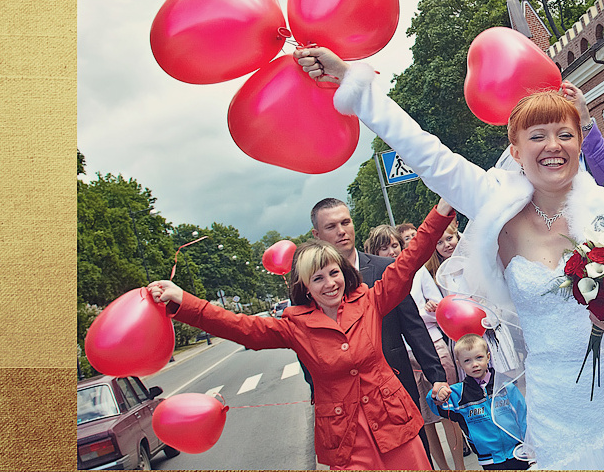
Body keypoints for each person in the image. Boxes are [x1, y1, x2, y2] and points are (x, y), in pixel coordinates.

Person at [296, 46, 604, 469]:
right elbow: (424, 151)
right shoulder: (494, 205)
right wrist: (354, 83)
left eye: (565, 134)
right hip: (559, 412)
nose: (554, 145)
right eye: (538, 136)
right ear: (516, 150)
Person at [146, 201, 456, 470]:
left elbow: (410, 259)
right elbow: (239, 326)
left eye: (334, 273)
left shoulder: (370, 300)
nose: (329, 283)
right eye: (317, 278)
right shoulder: (296, 325)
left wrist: (440, 212)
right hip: (346, 442)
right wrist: (183, 303)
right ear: (305, 287)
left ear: (344, 274)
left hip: (394, 427)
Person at [311, 198, 449, 464]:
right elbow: (308, 345)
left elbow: (414, 327)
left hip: (397, 387)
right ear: (317, 235)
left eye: (345, 222)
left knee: (417, 457)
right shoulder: (312, 285)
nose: (341, 231)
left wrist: (437, 376)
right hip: (348, 405)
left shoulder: (383, 269)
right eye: (331, 226)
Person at [364, 222, 467, 469]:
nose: (391, 252)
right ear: (374, 254)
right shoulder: (376, 282)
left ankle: (460, 467)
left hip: (432, 347)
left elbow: (439, 307)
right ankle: (439, 466)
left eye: (395, 245)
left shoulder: (419, 272)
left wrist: (425, 311)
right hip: (402, 359)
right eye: (384, 248)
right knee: (422, 419)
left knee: (447, 413)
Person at [429, 334, 529, 470]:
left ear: (488, 357)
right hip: (489, 460)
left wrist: (530, 445)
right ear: (459, 364)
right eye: (467, 361)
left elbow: (523, 417)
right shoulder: (459, 394)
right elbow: (434, 404)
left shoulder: (506, 386)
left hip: (518, 452)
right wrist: (438, 394)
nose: (474, 364)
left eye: (479, 357)